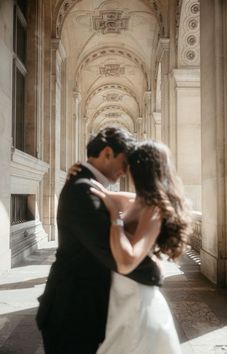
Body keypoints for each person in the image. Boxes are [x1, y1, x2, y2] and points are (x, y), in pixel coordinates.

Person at [36, 127, 163, 354]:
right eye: (124, 163)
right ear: (107, 153)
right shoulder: (83, 191)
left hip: (85, 310)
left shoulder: (89, 185)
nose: (125, 173)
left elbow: (145, 201)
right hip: (71, 316)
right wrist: (154, 272)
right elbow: (116, 258)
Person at [88, 140, 192, 354]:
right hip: (120, 299)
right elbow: (94, 190)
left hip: (137, 302)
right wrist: (80, 171)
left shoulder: (153, 209)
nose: (125, 172)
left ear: (141, 170)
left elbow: (127, 263)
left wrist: (116, 217)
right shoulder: (136, 201)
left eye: (130, 166)